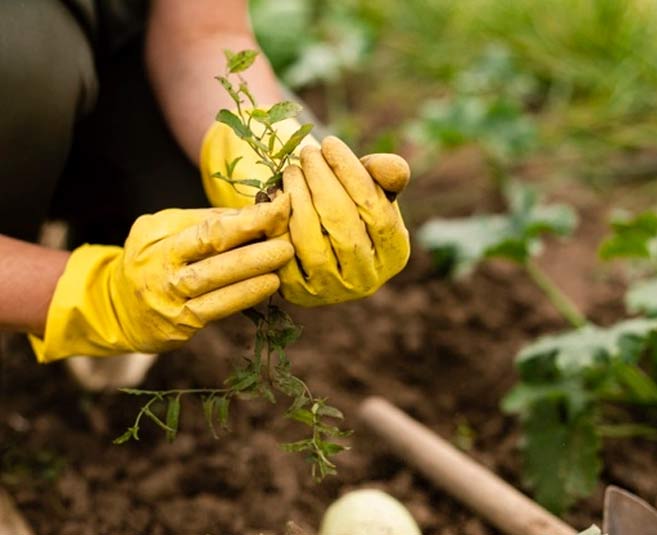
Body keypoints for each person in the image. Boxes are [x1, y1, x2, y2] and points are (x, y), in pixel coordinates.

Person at [0, 0, 410, 381]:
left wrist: (265, 154)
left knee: (220, 179)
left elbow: (205, 28)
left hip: (108, 57)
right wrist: (86, 297)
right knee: (22, 64)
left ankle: (102, 249)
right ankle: (25, 290)